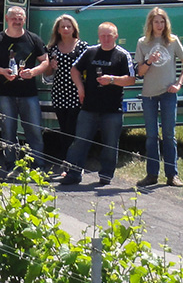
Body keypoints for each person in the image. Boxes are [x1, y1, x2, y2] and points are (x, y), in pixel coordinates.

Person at [58, 22, 135, 186]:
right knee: (79, 142)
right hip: (89, 107)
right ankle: (73, 173)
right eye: (103, 36)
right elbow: (74, 69)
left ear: (116, 36)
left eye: (109, 35)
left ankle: (106, 175)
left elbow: (131, 79)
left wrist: (112, 80)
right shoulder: (90, 51)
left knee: (110, 144)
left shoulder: (122, 55)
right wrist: (80, 88)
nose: (106, 39)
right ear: (98, 36)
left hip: (112, 109)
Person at [134, 7, 183, 188]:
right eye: (156, 22)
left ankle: (172, 175)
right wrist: (149, 60)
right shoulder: (143, 42)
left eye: (162, 22)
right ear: (150, 24)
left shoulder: (172, 41)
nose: (159, 25)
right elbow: (139, 72)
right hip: (149, 95)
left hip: (168, 93)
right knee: (151, 136)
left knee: (169, 135)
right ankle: (151, 174)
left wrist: (179, 83)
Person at [0, 6, 49, 172]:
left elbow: (45, 61)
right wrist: (2, 71)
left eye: (20, 17)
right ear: (7, 19)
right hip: (4, 94)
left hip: (28, 94)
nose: (17, 20)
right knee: (8, 131)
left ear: (25, 19)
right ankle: (11, 165)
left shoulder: (33, 39)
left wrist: (34, 72)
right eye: (14, 18)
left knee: (34, 130)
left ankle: (39, 166)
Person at [43, 14, 87, 154]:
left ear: (74, 29)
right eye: (63, 27)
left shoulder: (82, 46)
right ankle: (66, 158)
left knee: (73, 127)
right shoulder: (52, 48)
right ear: (58, 30)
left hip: (76, 92)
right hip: (59, 92)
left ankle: (73, 158)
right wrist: (51, 65)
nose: (66, 29)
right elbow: (48, 73)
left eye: (69, 26)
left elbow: (87, 69)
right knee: (64, 127)